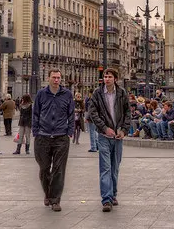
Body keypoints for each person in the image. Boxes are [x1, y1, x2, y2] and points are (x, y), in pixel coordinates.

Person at [85, 68, 130, 212]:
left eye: (110, 76)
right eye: (105, 76)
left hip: (118, 137)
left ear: (115, 79)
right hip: (104, 137)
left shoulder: (122, 93)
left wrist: (123, 130)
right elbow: (93, 113)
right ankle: (106, 199)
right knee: (105, 168)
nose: (107, 79)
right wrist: (104, 128)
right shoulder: (98, 93)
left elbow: (127, 112)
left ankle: (113, 194)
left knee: (115, 167)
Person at [32, 69, 75, 212]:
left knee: (59, 170)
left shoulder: (67, 94)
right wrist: (35, 131)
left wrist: (69, 132)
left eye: (58, 78)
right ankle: (48, 193)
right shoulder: (41, 94)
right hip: (42, 137)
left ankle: (55, 200)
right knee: (44, 169)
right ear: (48, 78)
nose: (56, 80)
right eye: (54, 77)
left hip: (61, 137)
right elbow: (35, 113)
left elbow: (71, 114)